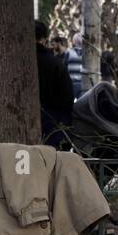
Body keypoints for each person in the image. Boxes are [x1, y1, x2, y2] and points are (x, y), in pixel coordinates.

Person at [36, 19, 74, 149]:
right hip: (53, 125)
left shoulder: (16, 62)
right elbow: (67, 98)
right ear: (45, 39)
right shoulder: (55, 63)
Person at [66, 32, 85, 99]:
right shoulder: (86, 54)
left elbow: (64, 67)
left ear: (74, 42)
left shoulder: (69, 52)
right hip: (83, 84)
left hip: (71, 83)